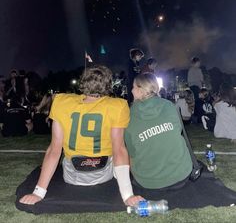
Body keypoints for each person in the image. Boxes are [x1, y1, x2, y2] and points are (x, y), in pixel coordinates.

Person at [19, 65, 143, 206]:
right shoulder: (118, 105)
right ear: (109, 84)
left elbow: (54, 150)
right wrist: (128, 195)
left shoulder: (61, 101)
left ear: (83, 81)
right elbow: (119, 150)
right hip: (103, 174)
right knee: (123, 147)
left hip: (73, 175)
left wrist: (38, 193)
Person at [125, 73, 192, 191]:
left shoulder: (128, 116)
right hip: (181, 175)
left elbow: (132, 152)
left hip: (148, 181)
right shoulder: (169, 106)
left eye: (134, 87)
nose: (131, 90)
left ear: (141, 90)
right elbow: (178, 131)